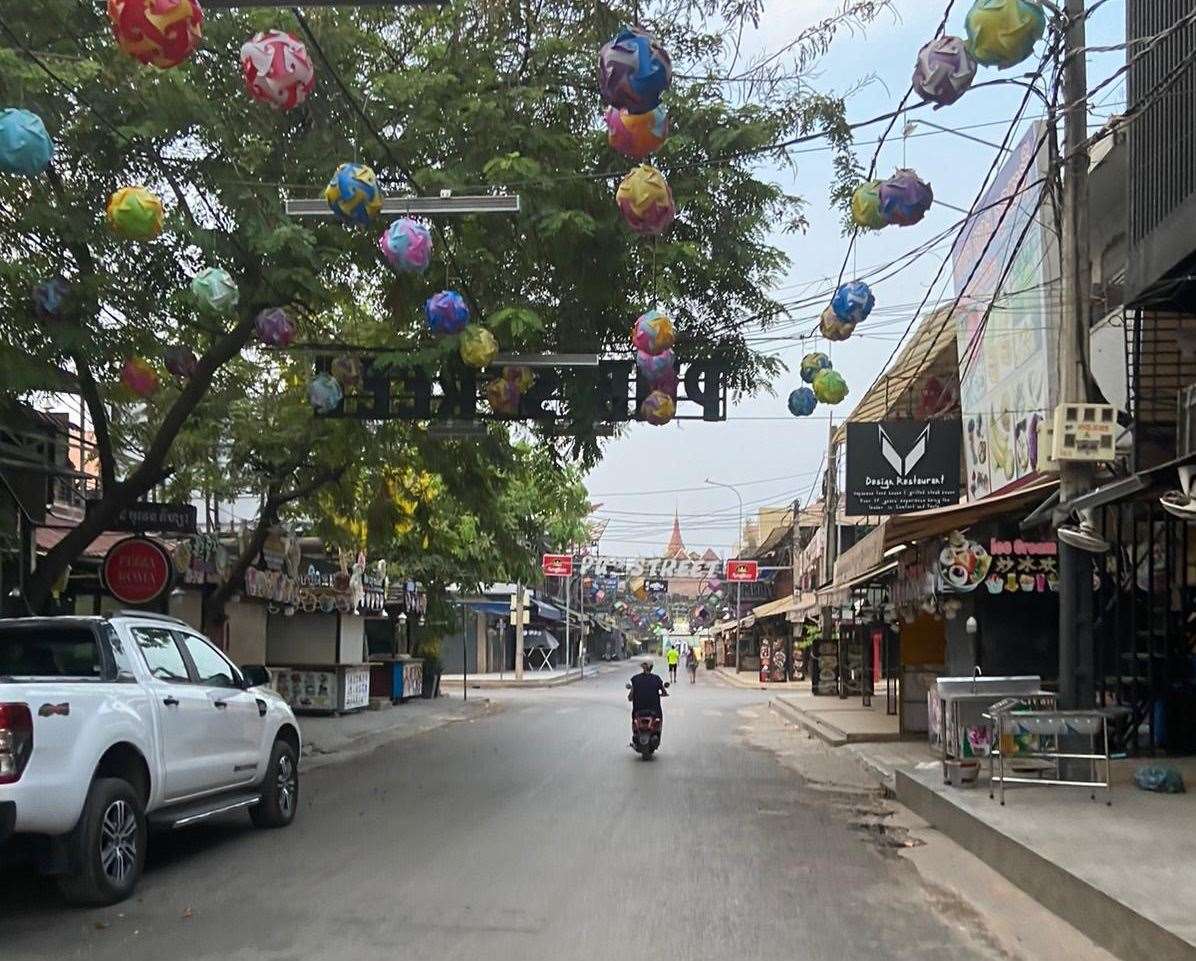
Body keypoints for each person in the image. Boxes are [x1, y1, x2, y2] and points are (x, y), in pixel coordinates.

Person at [628, 658, 668, 744]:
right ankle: (656, 736)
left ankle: (635, 735)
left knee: (634, 719)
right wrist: (663, 694)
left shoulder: (635, 679)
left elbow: (630, 696)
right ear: (652, 667)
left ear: (642, 667)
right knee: (659, 719)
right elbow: (664, 692)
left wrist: (631, 697)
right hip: (654, 710)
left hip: (638, 710)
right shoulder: (657, 679)